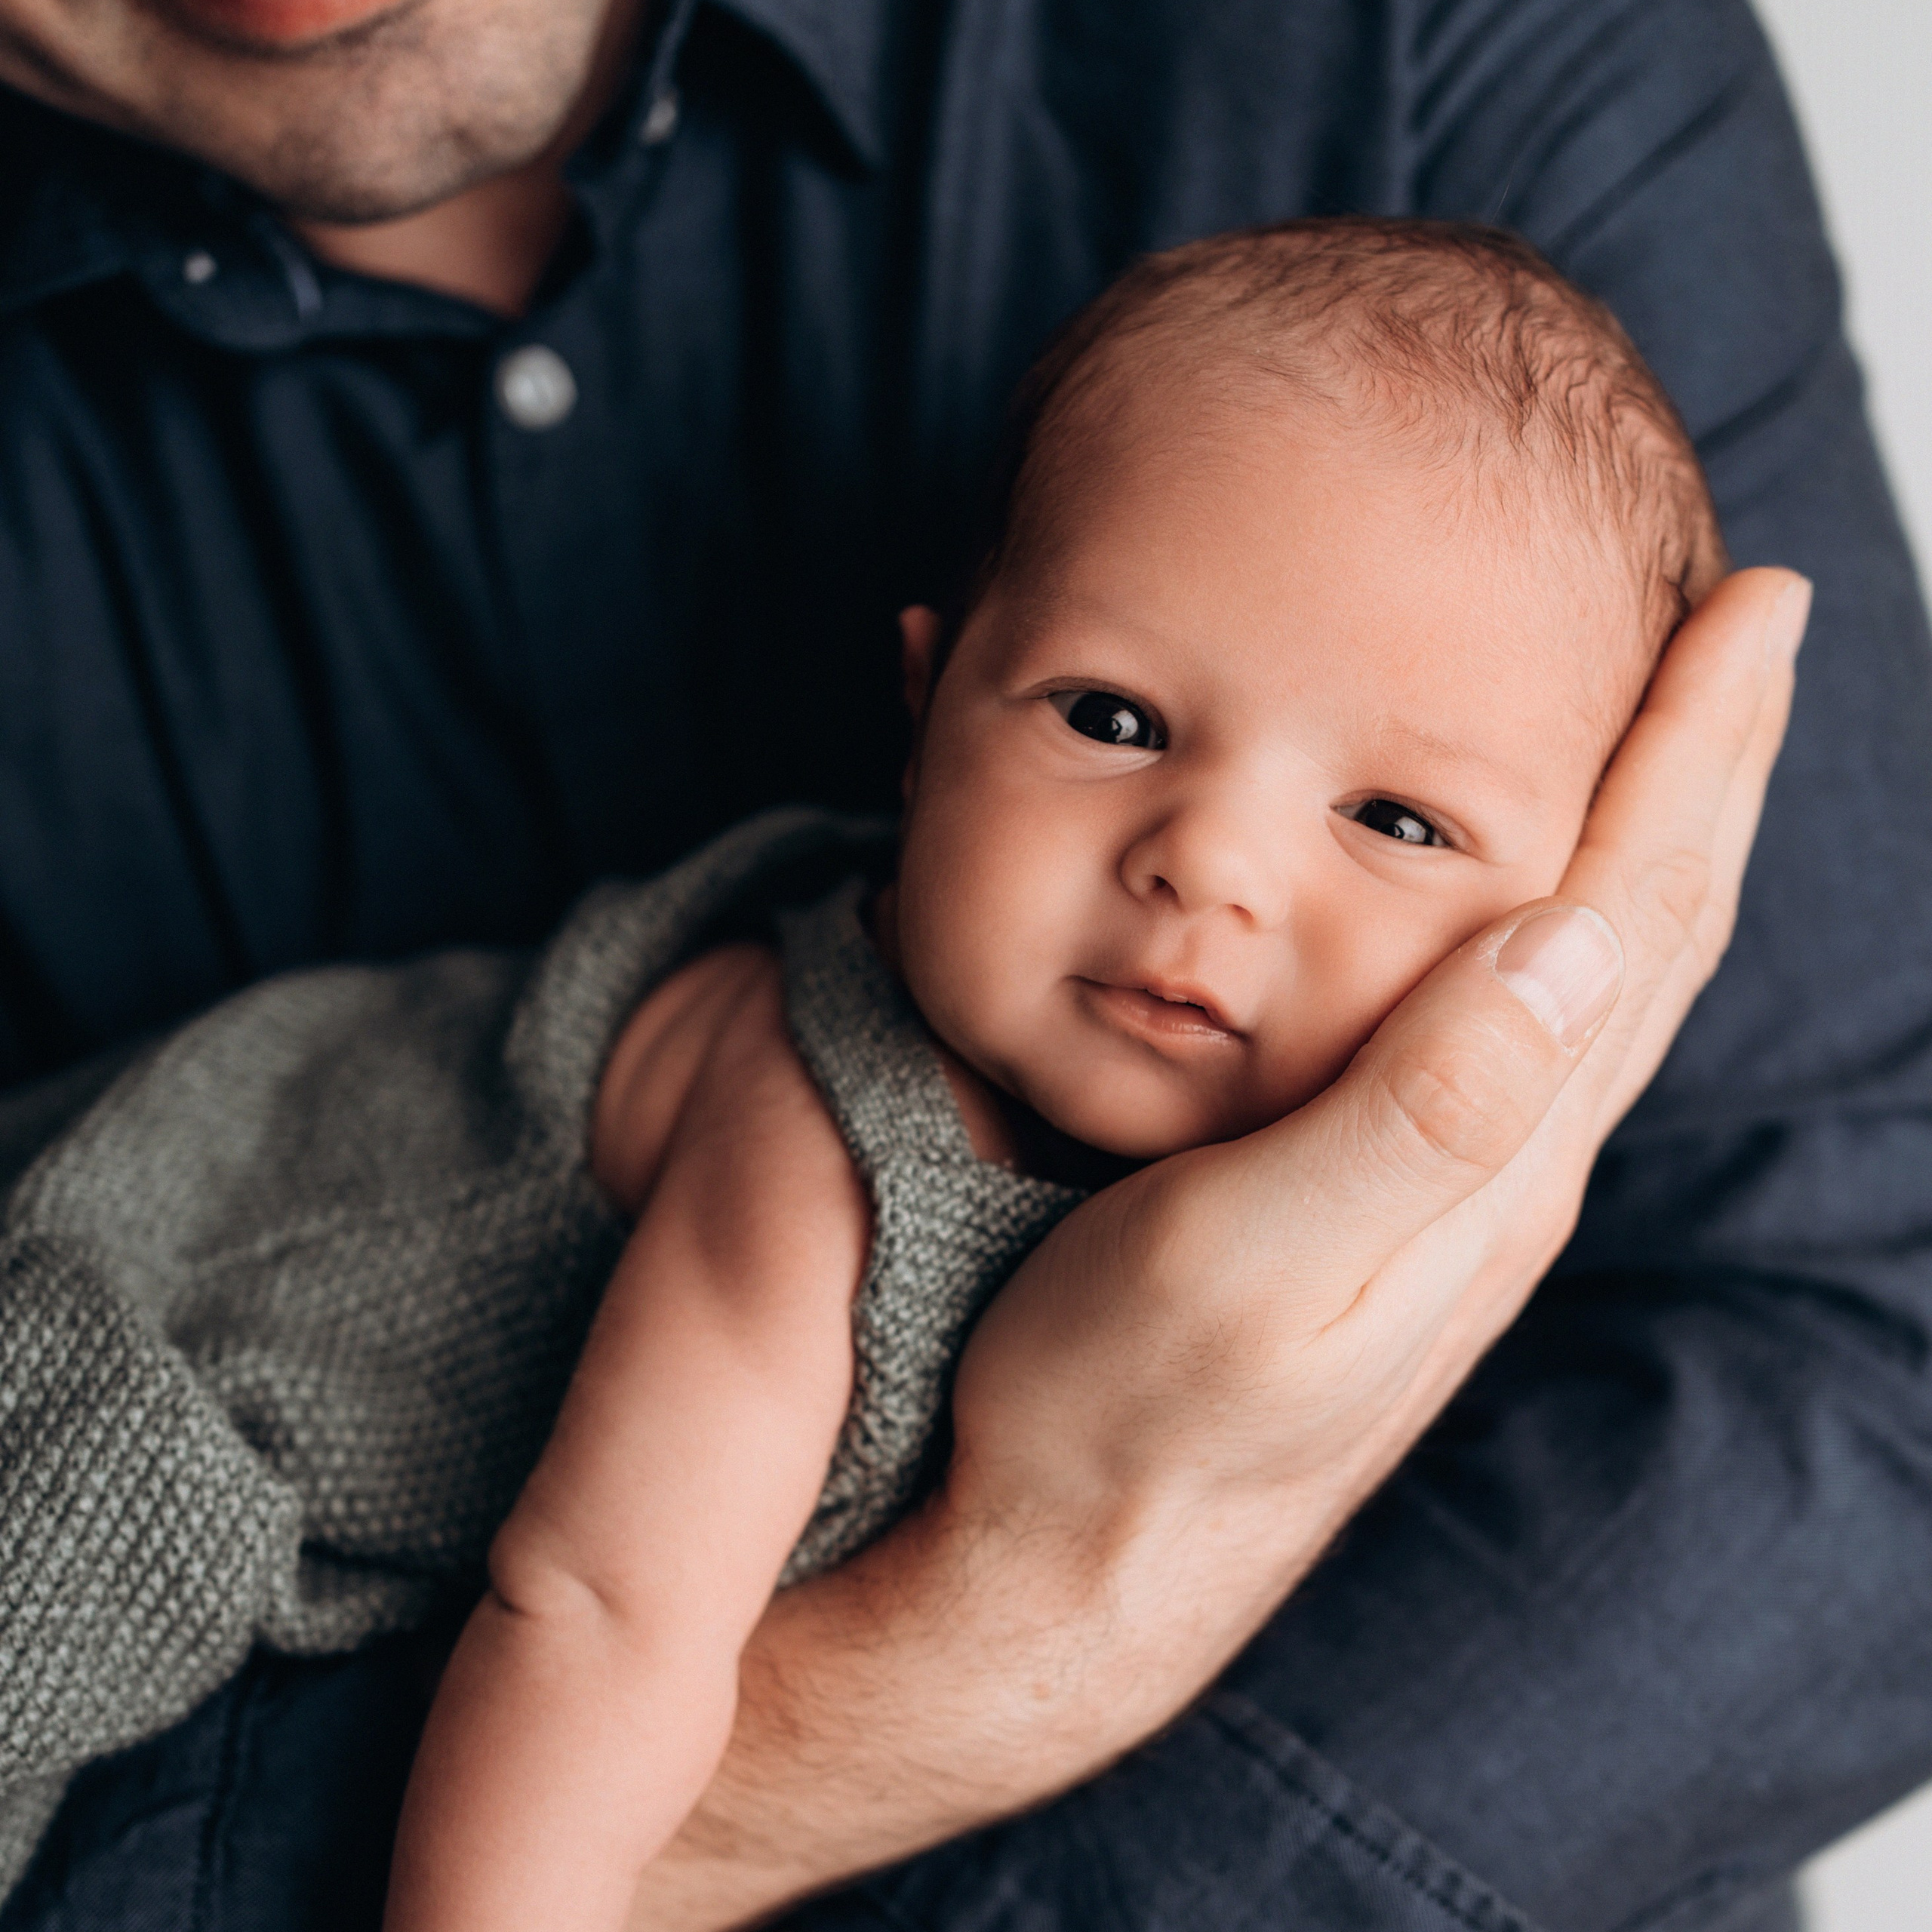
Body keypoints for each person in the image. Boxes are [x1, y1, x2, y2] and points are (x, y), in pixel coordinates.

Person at [0, 7, 1918, 1932]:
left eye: (1396, 823)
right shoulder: (827, 1136)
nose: (1208, 859)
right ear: (920, 719)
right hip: (137, 1333)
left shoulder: (1448, 52)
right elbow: (594, 1607)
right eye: (1109, 714)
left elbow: (1843, 1392)